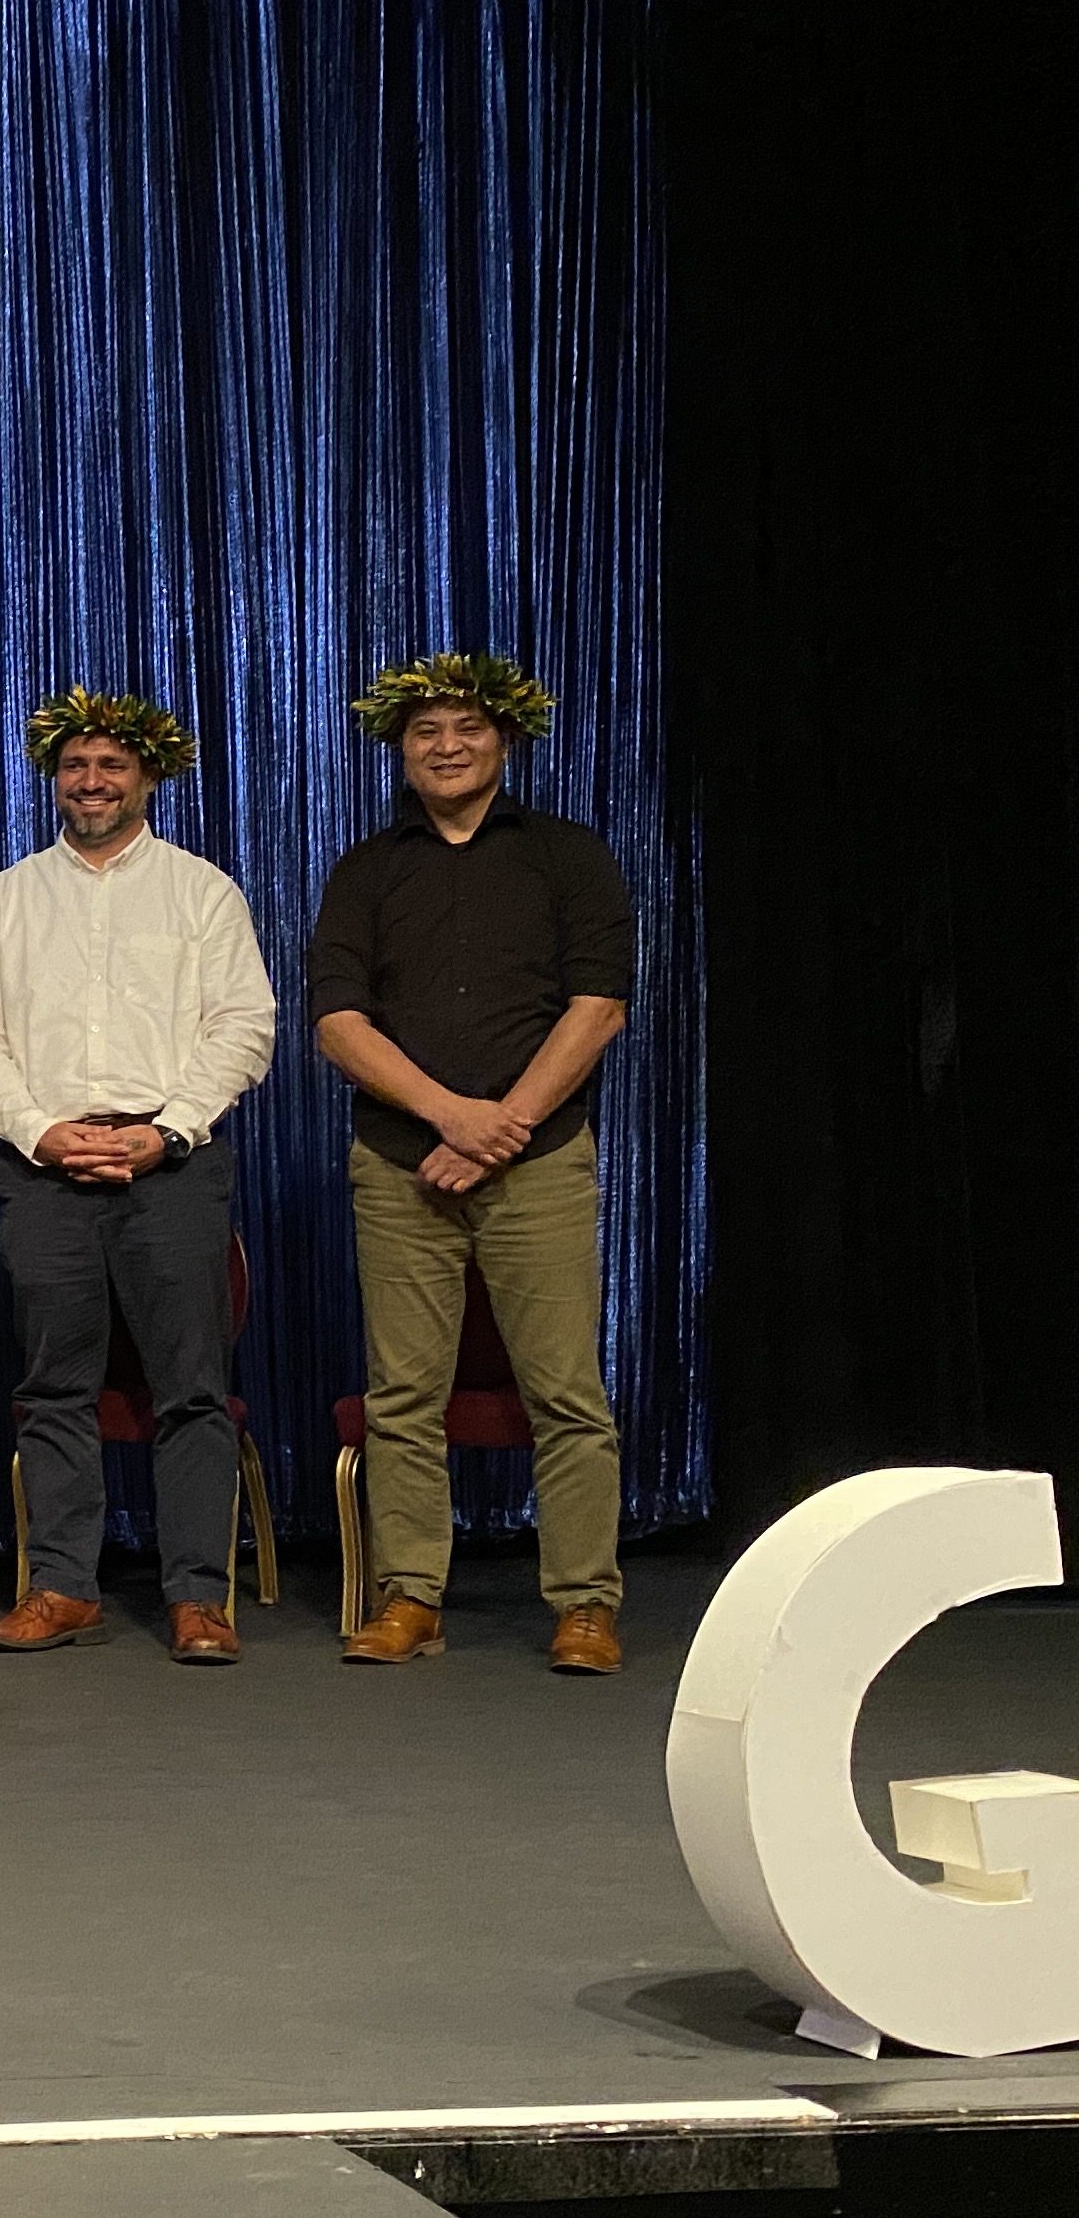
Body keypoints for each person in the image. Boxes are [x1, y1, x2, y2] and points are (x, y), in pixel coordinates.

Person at [308, 652, 637, 1675]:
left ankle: (585, 1603)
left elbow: (600, 1005)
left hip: (538, 1161)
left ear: (505, 739)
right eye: (426, 736)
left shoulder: (568, 856)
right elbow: (335, 1021)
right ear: (401, 752)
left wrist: (505, 1127)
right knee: (404, 1394)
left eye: (465, 731)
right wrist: (450, 1117)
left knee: (566, 1393)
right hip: (402, 1161)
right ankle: (412, 1596)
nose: (446, 749)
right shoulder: (368, 869)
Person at [0, 689, 277, 1665]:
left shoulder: (201, 892)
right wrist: (41, 1132)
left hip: (171, 1169)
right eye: (76, 767)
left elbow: (242, 1027)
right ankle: (60, 1587)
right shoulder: (7, 898)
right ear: (56, 777)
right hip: (43, 1173)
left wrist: (166, 1132)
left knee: (191, 1388)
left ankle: (196, 1599)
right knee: (53, 1387)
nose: (91, 782)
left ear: (149, 778)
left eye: (111, 767)